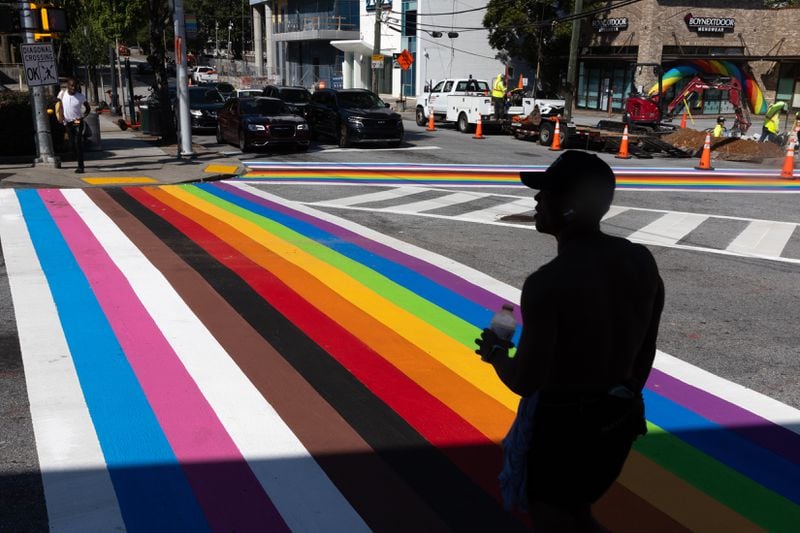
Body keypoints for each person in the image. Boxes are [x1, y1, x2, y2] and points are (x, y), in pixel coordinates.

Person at [475, 150, 664, 532]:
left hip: (564, 429)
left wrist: (496, 353)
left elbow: (525, 381)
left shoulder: (548, 283)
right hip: (617, 421)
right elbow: (646, 348)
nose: (537, 200)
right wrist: (622, 397)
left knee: (555, 517)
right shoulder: (640, 260)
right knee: (577, 512)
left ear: (570, 206)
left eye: (547, 192)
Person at [57, 78, 91, 173]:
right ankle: (77, 155)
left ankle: (81, 166)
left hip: (77, 122)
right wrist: (60, 116)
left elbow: (88, 109)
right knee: (71, 144)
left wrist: (82, 117)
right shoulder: (62, 94)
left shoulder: (80, 97)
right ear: (67, 86)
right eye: (71, 85)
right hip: (67, 122)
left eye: (75, 86)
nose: (73, 87)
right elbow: (60, 106)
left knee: (77, 143)